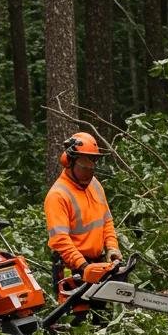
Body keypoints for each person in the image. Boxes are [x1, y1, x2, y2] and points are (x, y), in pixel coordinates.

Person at [44, 132, 122, 320]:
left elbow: (106, 221)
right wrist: (84, 266)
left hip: (98, 262)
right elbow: (59, 240)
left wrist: (112, 247)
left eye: (92, 167)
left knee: (102, 319)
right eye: (83, 168)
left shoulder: (95, 185)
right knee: (78, 322)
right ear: (69, 162)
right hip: (73, 268)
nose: (88, 173)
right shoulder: (58, 195)